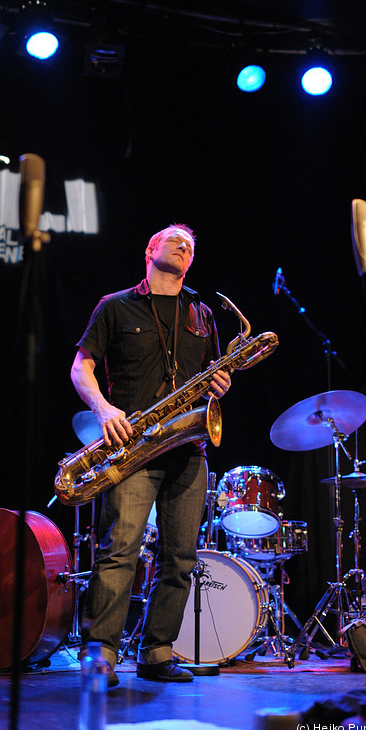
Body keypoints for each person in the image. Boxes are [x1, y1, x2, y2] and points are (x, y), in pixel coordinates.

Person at [71, 223, 231, 685]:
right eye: (175, 241)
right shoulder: (115, 306)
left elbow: (212, 379)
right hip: (133, 448)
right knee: (119, 551)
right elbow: (81, 367)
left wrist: (220, 383)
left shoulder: (201, 313)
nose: (185, 247)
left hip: (188, 449)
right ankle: (100, 654)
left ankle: (157, 650)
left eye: (191, 246)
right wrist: (103, 409)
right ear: (150, 250)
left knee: (180, 557)